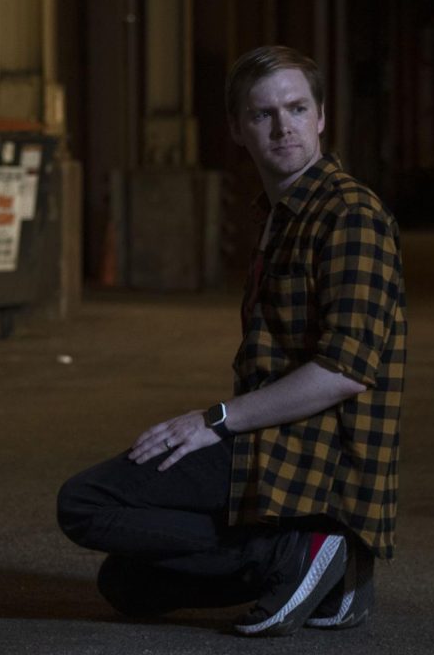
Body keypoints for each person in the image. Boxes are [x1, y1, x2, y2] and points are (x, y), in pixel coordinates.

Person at [56, 45, 406, 636]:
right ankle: (330, 578)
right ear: (238, 129)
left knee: (85, 504)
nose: (282, 126)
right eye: (263, 114)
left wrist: (214, 421)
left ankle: (294, 552)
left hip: (314, 453)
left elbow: (345, 369)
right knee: (127, 583)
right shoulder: (280, 213)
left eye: (297, 108)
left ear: (321, 117)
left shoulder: (350, 213)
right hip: (275, 441)